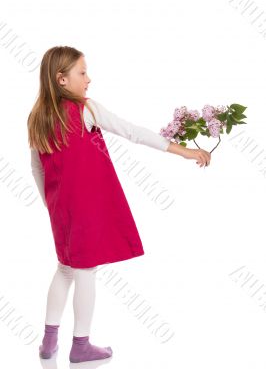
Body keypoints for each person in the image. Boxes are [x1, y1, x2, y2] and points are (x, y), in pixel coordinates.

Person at [27, 46, 211, 363]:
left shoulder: (36, 119)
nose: (89, 79)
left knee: (65, 269)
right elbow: (131, 132)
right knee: (85, 271)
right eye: (82, 73)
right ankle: (80, 344)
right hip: (85, 210)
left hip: (61, 212)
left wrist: (51, 205)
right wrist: (184, 151)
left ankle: (48, 340)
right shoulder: (84, 109)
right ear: (61, 79)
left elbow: (37, 169)